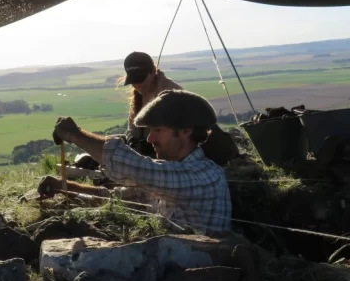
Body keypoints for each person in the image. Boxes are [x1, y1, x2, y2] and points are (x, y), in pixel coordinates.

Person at [38, 89, 232, 234]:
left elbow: (139, 170)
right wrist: (64, 187)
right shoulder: (168, 175)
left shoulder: (206, 176)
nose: (150, 139)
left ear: (185, 131)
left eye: (157, 130)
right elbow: (112, 198)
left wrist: (75, 135)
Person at [120, 51, 182, 157]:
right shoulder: (138, 95)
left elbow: (181, 135)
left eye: (140, 79)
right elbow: (132, 127)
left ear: (153, 71)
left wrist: (152, 143)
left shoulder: (173, 93)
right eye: (133, 81)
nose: (137, 85)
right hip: (143, 152)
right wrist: (132, 141)